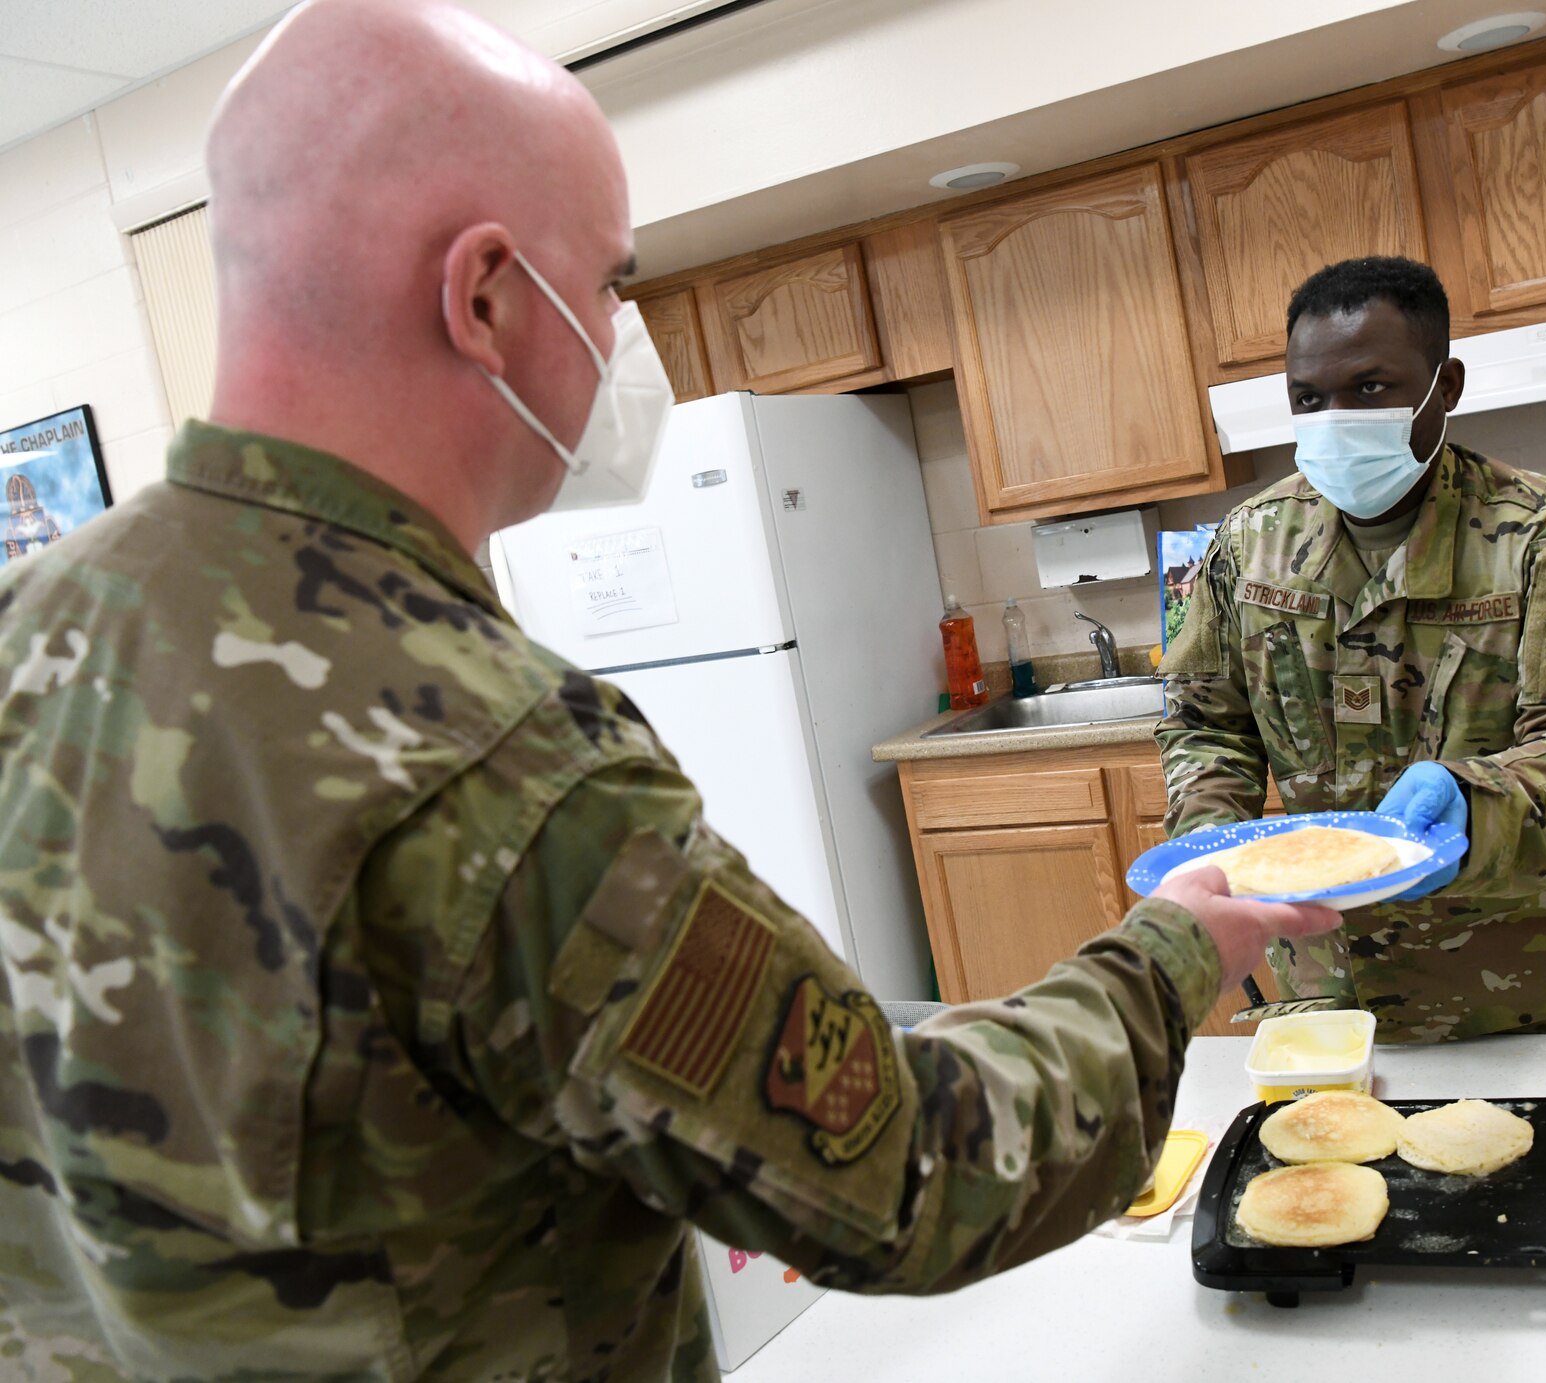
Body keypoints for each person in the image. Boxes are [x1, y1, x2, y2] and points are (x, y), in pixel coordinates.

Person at [0, 3, 1339, 1377]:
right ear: (484, 296)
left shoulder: (32, 621)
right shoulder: (484, 750)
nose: (624, 335)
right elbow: (910, 1170)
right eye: (610, 284)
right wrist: (1175, 948)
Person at [1157, 256, 1546, 1042]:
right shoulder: (1248, 545)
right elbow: (1206, 724)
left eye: (1370, 388)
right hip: (1321, 993)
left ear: (1447, 384)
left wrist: (1476, 805)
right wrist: (1208, 837)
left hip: (1518, 999)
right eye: (1309, 397)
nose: (1335, 416)